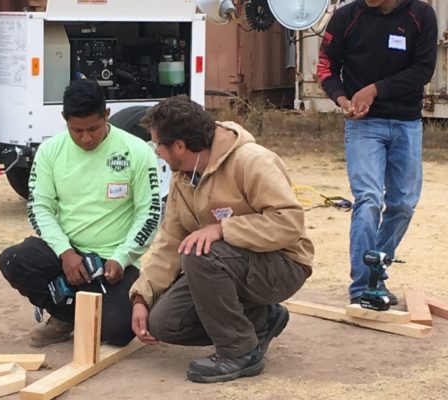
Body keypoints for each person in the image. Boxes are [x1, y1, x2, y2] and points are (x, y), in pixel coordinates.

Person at [129, 95, 314, 383]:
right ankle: (260, 321)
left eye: (158, 146)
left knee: (200, 253)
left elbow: (289, 223)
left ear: (179, 145)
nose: (157, 153)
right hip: (224, 265)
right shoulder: (182, 177)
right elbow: (170, 242)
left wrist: (223, 229)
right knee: (164, 323)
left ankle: (240, 351)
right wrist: (142, 295)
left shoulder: (252, 160)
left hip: (282, 265)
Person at [0, 79, 161, 347]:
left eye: (93, 129)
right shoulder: (50, 151)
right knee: (14, 259)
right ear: (64, 120)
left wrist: (122, 257)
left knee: (118, 333)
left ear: (106, 115)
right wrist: (66, 252)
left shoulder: (137, 152)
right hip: (67, 255)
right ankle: (66, 315)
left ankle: (90, 308)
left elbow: (150, 213)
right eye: (77, 130)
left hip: (113, 263)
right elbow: (40, 207)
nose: (86, 138)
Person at [317, 0, 437, 304]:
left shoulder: (421, 15)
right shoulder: (346, 16)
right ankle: (361, 288)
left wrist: (375, 89)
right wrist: (341, 98)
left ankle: (375, 273)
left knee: (403, 205)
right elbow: (326, 66)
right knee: (369, 199)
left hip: (407, 123)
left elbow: (423, 70)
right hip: (363, 126)